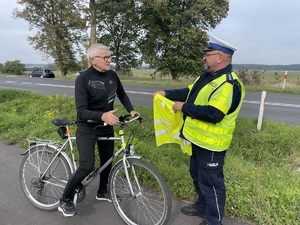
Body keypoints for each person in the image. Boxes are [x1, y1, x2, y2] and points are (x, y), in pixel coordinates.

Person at [153, 34, 245, 225]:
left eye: (208, 54)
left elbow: (214, 114)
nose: (204, 57)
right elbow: (189, 91)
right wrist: (167, 94)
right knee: (197, 176)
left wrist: (183, 107)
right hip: (197, 140)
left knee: (212, 184)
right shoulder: (207, 76)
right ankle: (202, 206)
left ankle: (213, 221)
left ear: (220, 57)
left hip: (212, 145)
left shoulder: (228, 84)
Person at [58, 43, 138, 217]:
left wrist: (131, 110)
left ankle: (102, 192)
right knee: (87, 165)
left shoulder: (112, 75)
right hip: (87, 127)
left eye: (110, 57)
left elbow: (122, 94)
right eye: (106, 58)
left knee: (107, 161)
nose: (109, 60)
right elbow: (81, 110)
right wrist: (102, 116)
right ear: (93, 60)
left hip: (106, 126)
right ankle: (64, 199)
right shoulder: (83, 79)